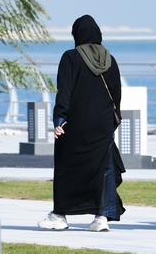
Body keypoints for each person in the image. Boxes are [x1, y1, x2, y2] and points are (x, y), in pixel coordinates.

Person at [38, 15, 125, 232]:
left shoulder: (71, 57)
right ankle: (101, 218)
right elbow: (116, 95)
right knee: (101, 170)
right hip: (102, 125)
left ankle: (60, 215)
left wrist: (59, 119)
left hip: (75, 124)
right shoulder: (110, 60)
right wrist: (110, 123)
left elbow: (64, 91)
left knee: (66, 168)